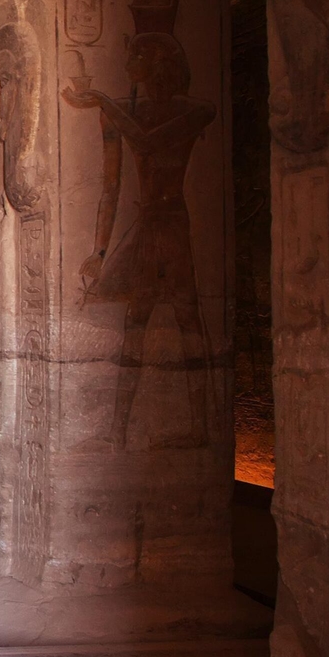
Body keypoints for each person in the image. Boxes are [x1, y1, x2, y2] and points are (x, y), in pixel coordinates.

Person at [64, 30, 215, 450]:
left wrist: (104, 101)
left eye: (136, 56)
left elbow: (148, 143)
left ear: (158, 62)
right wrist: (99, 249)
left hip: (172, 224)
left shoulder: (193, 110)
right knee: (134, 325)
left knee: (188, 322)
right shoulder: (122, 113)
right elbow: (109, 188)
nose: (128, 63)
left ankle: (201, 429)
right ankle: (116, 433)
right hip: (148, 226)